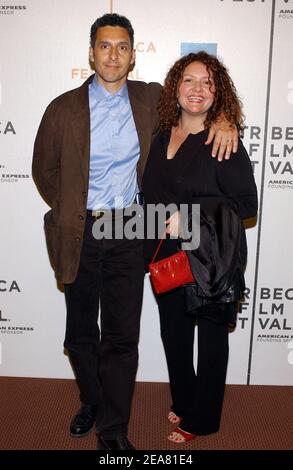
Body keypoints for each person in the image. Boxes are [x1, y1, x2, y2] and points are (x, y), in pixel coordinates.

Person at [32, 13, 238, 450]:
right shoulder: (62, 108)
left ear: (132, 56)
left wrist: (225, 121)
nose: (113, 54)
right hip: (79, 232)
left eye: (122, 47)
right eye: (104, 46)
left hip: (129, 230)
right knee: (81, 334)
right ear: (91, 53)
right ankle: (91, 400)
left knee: (123, 338)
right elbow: (43, 170)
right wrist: (73, 209)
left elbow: (195, 103)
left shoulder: (149, 100)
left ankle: (113, 428)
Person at [142, 51, 258, 443]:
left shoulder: (222, 139)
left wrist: (192, 217)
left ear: (217, 92)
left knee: (210, 340)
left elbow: (247, 205)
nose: (197, 89)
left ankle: (204, 417)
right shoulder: (161, 136)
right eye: (189, 80)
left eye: (207, 82)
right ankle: (185, 397)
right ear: (175, 88)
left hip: (210, 259)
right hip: (167, 256)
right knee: (173, 335)